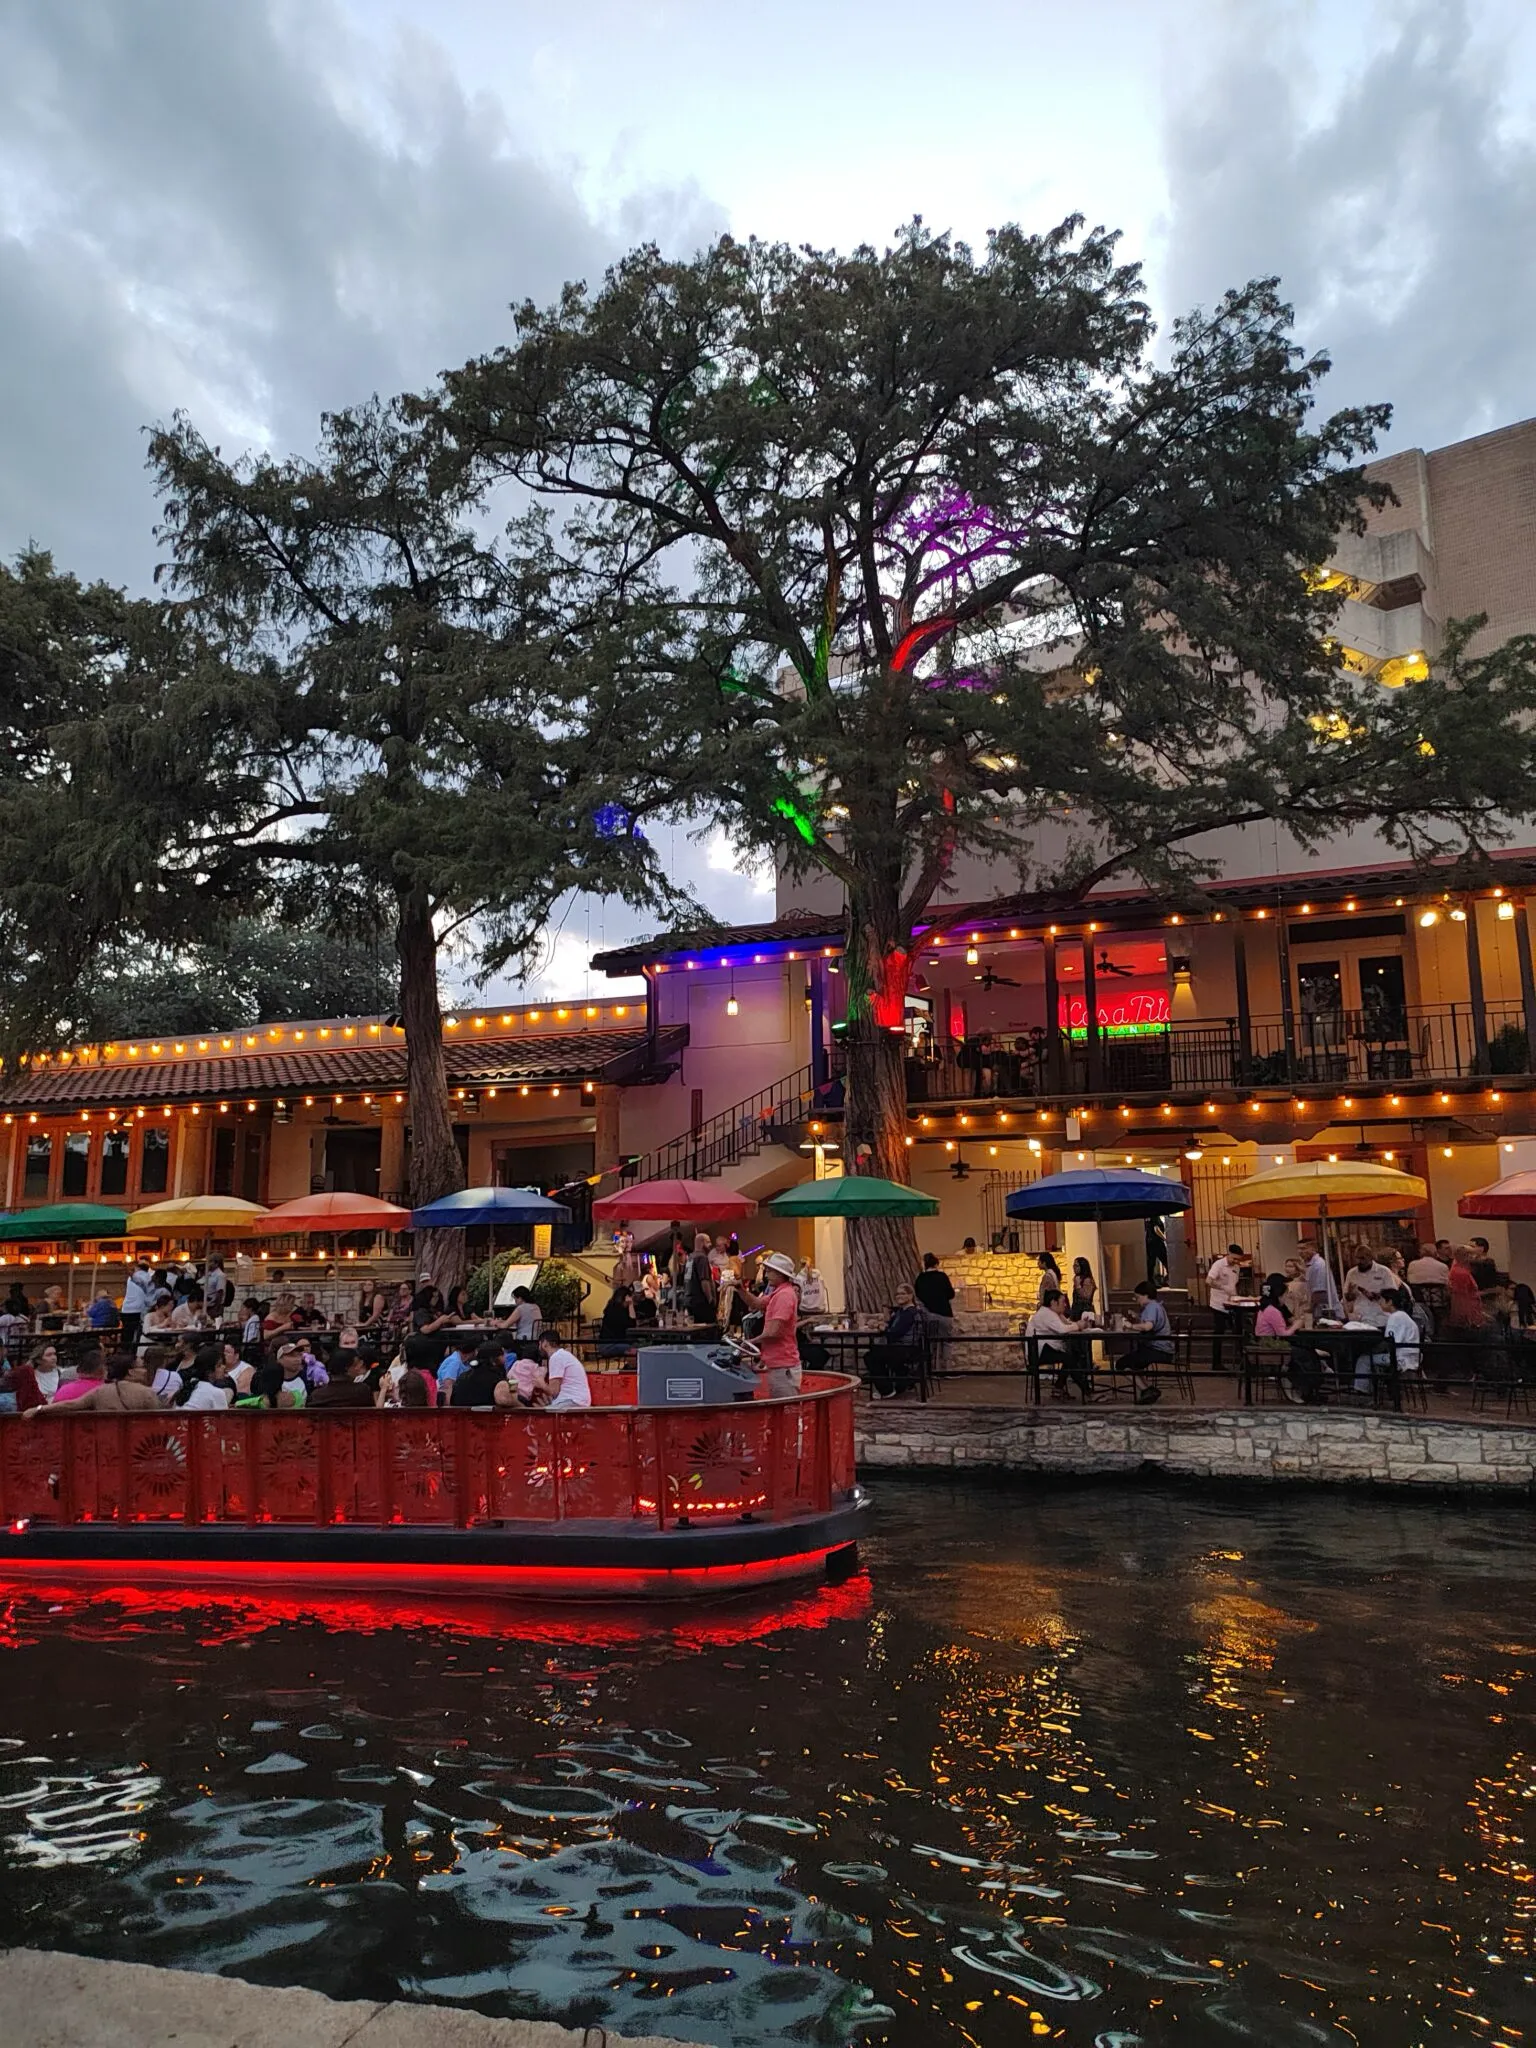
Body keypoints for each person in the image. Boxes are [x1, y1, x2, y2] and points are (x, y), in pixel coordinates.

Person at [736, 1250, 803, 1397]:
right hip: (779, 1364)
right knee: (781, 1410)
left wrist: (750, 1342)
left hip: (783, 1366)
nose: (766, 1275)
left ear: (780, 1274)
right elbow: (757, 1303)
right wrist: (739, 1289)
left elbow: (774, 1332)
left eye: (769, 1271)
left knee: (785, 1410)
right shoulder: (779, 1292)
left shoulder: (784, 1296)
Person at [27, 1351, 162, 1416]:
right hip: (139, 1447)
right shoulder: (147, 1393)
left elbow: (72, 1404)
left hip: (107, 1447)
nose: (145, 1371)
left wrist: (38, 1409)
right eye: (142, 1367)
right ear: (131, 1372)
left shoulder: (101, 1391)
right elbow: (160, 1419)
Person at [1026, 1289, 1093, 1400]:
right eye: (1062, 1302)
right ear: (1053, 1302)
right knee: (1069, 1359)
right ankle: (1087, 1391)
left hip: (1047, 1348)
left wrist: (1077, 1324)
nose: (1065, 1304)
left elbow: (1066, 1324)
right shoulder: (1046, 1314)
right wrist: (1078, 1326)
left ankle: (1059, 1387)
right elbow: (1062, 1329)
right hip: (1039, 1352)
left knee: (1073, 1356)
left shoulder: (1053, 1313)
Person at [866, 1285, 925, 1399]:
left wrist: (883, 1328)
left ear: (910, 1295)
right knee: (876, 1353)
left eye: (902, 1294)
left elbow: (895, 1332)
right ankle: (902, 1379)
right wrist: (880, 1324)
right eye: (897, 1294)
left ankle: (886, 1390)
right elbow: (890, 1326)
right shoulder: (900, 1312)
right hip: (902, 1347)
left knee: (871, 1356)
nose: (899, 1296)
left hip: (907, 1349)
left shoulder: (910, 1313)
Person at [1122, 1279, 1175, 1395]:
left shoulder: (1152, 1307)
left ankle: (1146, 1390)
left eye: (1138, 1297)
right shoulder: (1154, 1307)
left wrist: (1130, 1325)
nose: (1137, 1301)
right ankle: (1149, 1389)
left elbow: (1148, 1326)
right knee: (1135, 1361)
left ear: (1146, 1296)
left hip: (1159, 1349)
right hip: (1161, 1348)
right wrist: (1136, 1317)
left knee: (1122, 1364)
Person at [1343, 1247, 1400, 1330]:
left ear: (1370, 1257)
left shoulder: (1383, 1271)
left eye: (1362, 1258)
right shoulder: (1352, 1273)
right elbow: (1347, 1298)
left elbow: (1393, 1295)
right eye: (1357, 1258)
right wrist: (1351, 1293)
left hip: (1381, 1319)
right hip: (1360, 1320)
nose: (1359, 1261)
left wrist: (1375, 1295)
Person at [535, 1332, 593, 1409]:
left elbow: (554, 1391)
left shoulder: (556, 1357)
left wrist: (541, 1383)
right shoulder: (563, 1355)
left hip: (572, 1401)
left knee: (540, 1416)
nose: (539, 1348)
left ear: (545, 1343)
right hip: (576, 1400)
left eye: (540, 1344)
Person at [450, 1341, 514, 1409]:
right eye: (503, 1355)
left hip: (461, 1416)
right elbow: (507, 1402)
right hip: (490, 1417)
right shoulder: (498, 1380)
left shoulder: (462, 1377)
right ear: (494, 1359)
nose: (505, 1358)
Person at [306, 1350, 374, 1408]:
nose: (359, 1367)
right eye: (356, 1365)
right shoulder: (362, 1391)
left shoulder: (317, 1395)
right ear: (347, 1368)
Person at [180, 1343, 233, 1410]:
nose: (223, 1367)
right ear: (209, 1373)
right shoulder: (217, 1392)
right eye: (219, 1366)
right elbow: (221, 1418)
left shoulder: (191, 1384)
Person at [1384, 1288, 1422, 1377]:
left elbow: (1390, 1342)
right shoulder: (1402, 1315)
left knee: (1364, 1360)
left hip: (1400, 1358)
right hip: (1410, 1357)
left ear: (1389, 1302)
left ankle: (1363, 1389)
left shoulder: (1395, 1317)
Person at [14, 1341, 63, 1409]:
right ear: (38, 1360)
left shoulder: (62, 1373)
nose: (54, 1357)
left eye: (54, 1354)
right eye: (49, 1355)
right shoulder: (31, 1375)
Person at [1301, 1240, 1342, 1321]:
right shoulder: (1310, 1266)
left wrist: (1310, 1307)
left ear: (1313, 1249)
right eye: (1298, 1249)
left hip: (1327, 1312)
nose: (1300, 1252)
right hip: (1319, 1311)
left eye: (1304, 1248)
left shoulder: (1319, 1265)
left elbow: (1319, 1293)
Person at [683, 1233, 718, 1325]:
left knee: (695, 1330)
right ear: (702, 1243)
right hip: (701, 1302)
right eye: (708, 1242)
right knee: (708, 1330)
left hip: (690, 1301)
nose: (711, 1244)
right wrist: (710, 1299)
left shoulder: (690, 1258)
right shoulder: (702, 1258)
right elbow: (704, 1281)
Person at [914, 1252, 956, 1320]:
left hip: (928, 1314)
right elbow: (951, 1294)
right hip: (944, 1313)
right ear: (936, 1264)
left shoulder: (920, 1278)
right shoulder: (942, 1276)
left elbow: (918, 1295)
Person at [597, 1284, 635, 1355]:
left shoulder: (613, 1308)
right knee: (636, 1348)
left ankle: (631, 1364)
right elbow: (632, 1324)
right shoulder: (616, 1311)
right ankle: (632, 1365)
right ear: (625, 1297)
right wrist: (631, 1304)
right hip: (609, 1345)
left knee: (636, 1345)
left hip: (613, 1343)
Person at [1255, 1273, 1293, 1339]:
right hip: (1270, 1345)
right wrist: (1296, 1325)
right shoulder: (1272, 1310)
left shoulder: (1266, 1304)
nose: (1287, 1296)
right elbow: (1283, 1334)